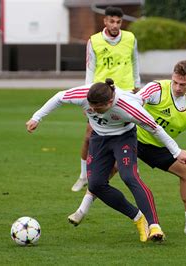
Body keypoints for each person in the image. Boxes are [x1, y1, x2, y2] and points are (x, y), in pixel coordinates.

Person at [67, 60, 186, 235]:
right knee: (109, 171)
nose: (177, 87)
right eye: (175, 81)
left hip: (158, 147)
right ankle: (81, 210)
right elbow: (135, 102)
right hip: (134, 138)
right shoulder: (156, 88)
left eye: (182, 84)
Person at [26, 78, 186, 242]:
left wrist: (176, 152)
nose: (93, 110)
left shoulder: (129, 108)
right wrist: (36, 118)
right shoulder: (83, 94)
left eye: (98, 108)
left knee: (129, 176)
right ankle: (138, 218)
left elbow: (155, 128)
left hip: (124, 138)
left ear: (110, 101)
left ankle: (154, 225)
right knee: (96, 185)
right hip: (99, 139)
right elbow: (59, 97)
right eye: (91, 106)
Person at [71, 6, 141, 192]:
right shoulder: (94, 41)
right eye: (112, 21)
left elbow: (135, 61)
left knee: (132, 130)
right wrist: (87, 95)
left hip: (125, 92)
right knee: (88, 136)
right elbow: (90, 68)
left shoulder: (130, 38)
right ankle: (83, 176)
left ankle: (133, 170)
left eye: (118, 22)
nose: (115, 25)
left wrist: (137, 84)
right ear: (105, 21)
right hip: (100, 94)